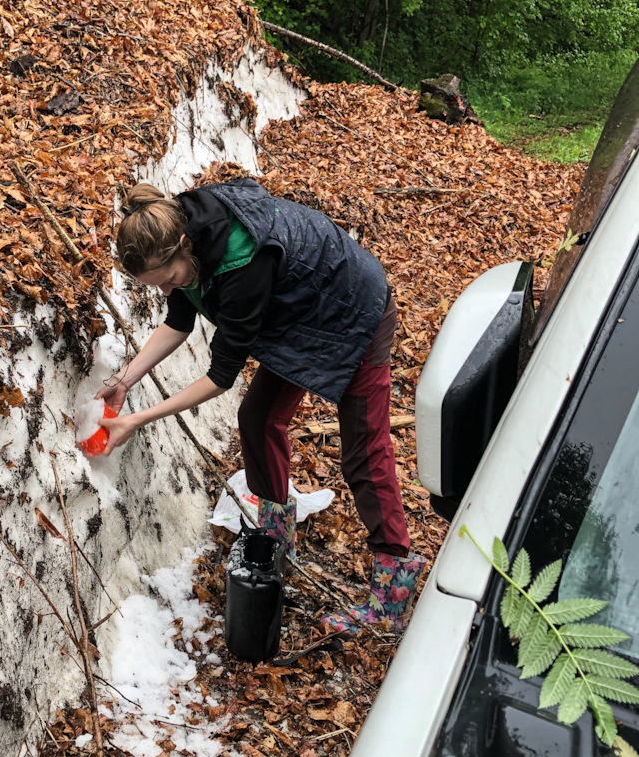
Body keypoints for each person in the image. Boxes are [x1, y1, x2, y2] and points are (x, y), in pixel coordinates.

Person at [97, 177, 426, 635]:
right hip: (297, 319)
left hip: (353, 315)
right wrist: (123, 380)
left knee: (364, 456)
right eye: (159, 286)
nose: (169, 290)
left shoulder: (240, 265)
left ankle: (392, 593)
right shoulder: (184, 239)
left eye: (170, 279)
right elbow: (179, 318)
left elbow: (220, 377)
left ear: (185, 246)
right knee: (257, 419)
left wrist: (138, 419)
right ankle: (275, 536)